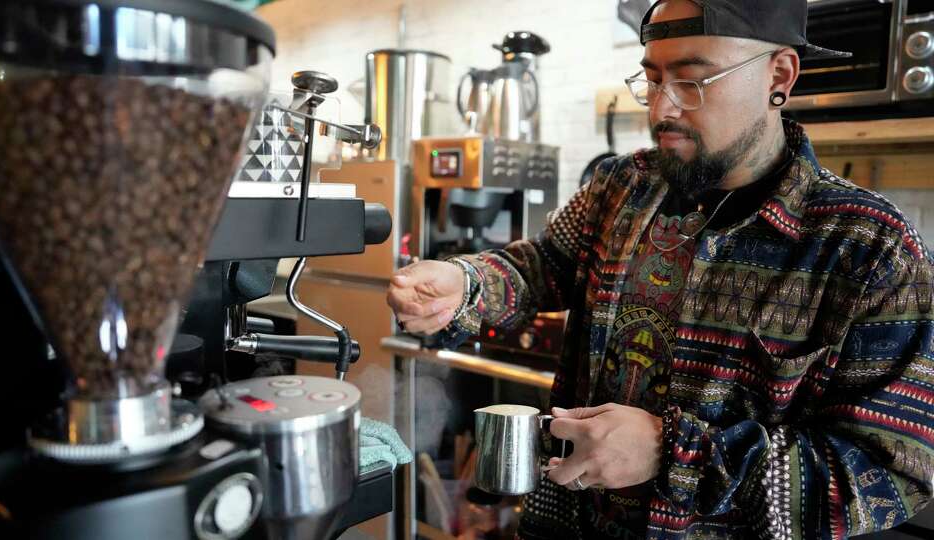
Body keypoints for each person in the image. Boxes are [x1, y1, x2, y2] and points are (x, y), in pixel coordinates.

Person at [386, 1, 934, 537]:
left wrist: (673, 453)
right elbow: (544, 264)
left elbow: (888, 475)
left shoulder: (870, 250)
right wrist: (467, 283)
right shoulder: (623, 186)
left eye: (692, 81)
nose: (660, 110)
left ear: (780, 75)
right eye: (651, 79)